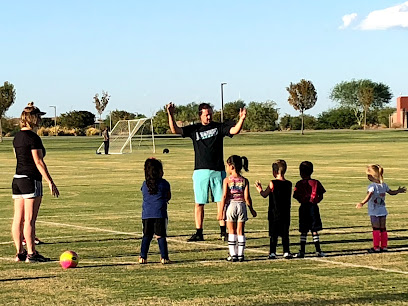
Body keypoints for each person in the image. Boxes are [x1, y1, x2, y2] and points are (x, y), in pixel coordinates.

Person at [167, 102, 247, 242]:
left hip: (218, 171)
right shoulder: (194, 129)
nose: (209, 117)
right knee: (199, 203)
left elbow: (234, 131)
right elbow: (176, 130)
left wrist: (242, 119)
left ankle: (223, 231)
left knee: (221, 201)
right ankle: (199, 232)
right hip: (200, 171)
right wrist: (171, 114)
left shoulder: (218, 127)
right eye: (206, 114)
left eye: (210, 114)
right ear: (200, 115)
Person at [12, 102, 59, 263]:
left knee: (18, 218)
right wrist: (50, 181)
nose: (40, 120)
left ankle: (20, 253)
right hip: (31, 180)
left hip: (17, 180)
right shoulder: (33, 137)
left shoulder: (17, 136)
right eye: (39, 117)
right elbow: (38, 162)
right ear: (33, 119)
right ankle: (31, 254)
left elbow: (17, 156)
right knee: (30, 219)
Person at [356, 164, 406, 253]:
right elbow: (391, 192)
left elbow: (369, 195)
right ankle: (384, 246)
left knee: (376, 229)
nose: (367, 177)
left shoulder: (372, 186)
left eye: (368, 175)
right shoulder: (384, 185)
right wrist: (398, 191)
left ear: (373, 176)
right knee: (383, 228)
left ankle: (376, 247)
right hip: (383, 210)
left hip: (374, 211)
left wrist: (362, 203)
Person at [217, 155, 256, 262]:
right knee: (240, 231)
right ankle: (241, 254)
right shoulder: (244, 180)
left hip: (231, 206)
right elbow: (247, 197)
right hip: (241, 206)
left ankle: (233, 254)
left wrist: (221, 211)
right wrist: (251, 209)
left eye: (227, 166)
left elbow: (224, 196)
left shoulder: (227, 180)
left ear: (232, 166)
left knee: (231, 231)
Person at [255, 159, 292, 259]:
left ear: (274, 172)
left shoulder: (272, 183)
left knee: (273, 234)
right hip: (286, 212)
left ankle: (272, 252)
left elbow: (264, 194)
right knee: (285, 233)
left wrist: (259, 189)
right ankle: (286, 251)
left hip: (274, 212)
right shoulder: (289, 184)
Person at [139, 158, 171, 264]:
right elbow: (168, 196)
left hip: (147, 214)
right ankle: (164, 257)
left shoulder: (145, 184)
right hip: (160, 214)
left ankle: (142, 257)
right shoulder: (164, 183)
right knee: (160, 236)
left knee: (147, 236)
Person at [292, 161, 326, 258]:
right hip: (313, 207)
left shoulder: (299, 184)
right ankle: (318, 250)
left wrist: (302, 200)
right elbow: (321, 194)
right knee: (314, 230)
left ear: (300, 172)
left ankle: (302, 251)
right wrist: (316, 200)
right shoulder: (315, 182)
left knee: (304, 230)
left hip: (303, 207)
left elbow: (296, 195)